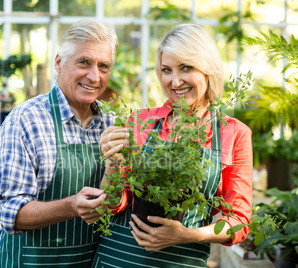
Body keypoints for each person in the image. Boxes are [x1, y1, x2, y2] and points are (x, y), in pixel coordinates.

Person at [93, 24, 253, 267]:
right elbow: (113, 204)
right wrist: (113, 164)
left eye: (186, 68)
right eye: (166, 70)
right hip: (118, 258)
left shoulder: (234, 133)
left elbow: (238, 222)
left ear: (207, 69)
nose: (175, 81)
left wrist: (187, 235)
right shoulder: (141, 121)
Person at [0, 19, 118, 267]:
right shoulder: (26, 120)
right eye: (84, 62)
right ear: (59, 63)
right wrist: (71, 205)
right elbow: (10, 212)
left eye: (104, 66)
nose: (94, 76)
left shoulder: (111, 123)